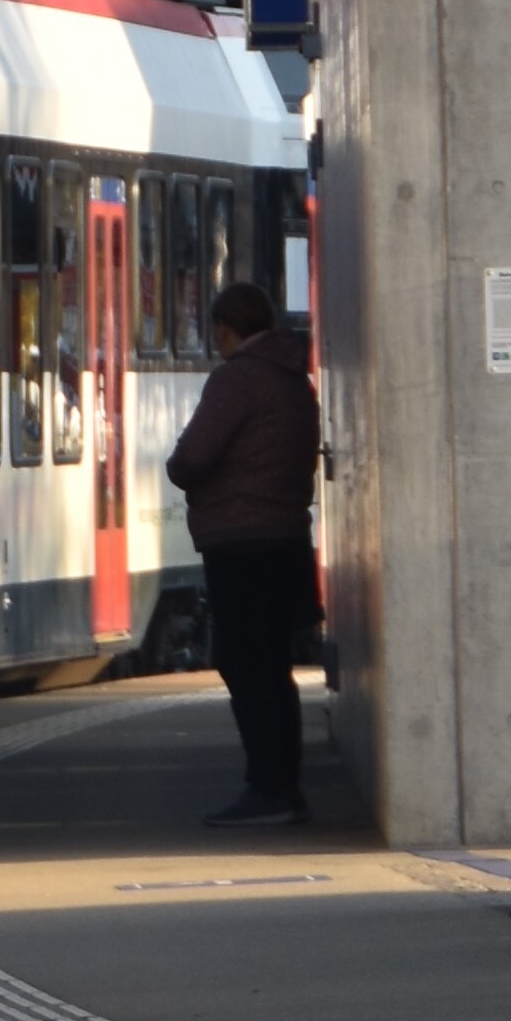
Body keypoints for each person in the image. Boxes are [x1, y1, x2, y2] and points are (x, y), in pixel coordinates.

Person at [166, 279, 321, 827]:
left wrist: (186, 473)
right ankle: (284, 786)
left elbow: (191, 457)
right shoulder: (293, 380)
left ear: (226, 329)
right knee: (272, 667)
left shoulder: (239, 381)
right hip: (284, 538)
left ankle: (268, 787)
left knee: (246, 666)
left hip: (240, 542)